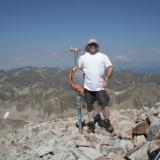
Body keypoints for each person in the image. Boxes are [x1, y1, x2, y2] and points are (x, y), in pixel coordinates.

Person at [78, 38, 114, 133]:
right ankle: (91, 123)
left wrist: (106, 79)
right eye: (91, 45)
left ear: (97, 46)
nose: (93, 47)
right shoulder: (82, 57)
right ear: (88, 47)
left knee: (104, 105)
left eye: (94, 45)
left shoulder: (103, 56)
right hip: (87, 87)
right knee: (89, 106)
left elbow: (110, 68)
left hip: (100, 87)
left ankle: (107, 122)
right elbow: (79, 70)